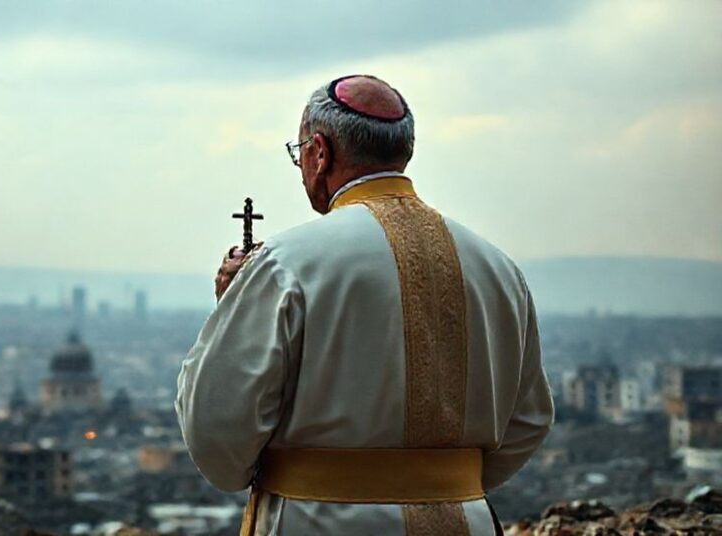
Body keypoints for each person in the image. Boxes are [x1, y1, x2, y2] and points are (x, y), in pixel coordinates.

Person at [176, 74, 554, 535]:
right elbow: (529, 418)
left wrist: (231, 304)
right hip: (463, 518)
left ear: (320, 151)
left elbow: (217, 432)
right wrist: (440, 482)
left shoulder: (286, 263)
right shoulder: (497, 268)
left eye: (299, 155)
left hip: (319, 520)